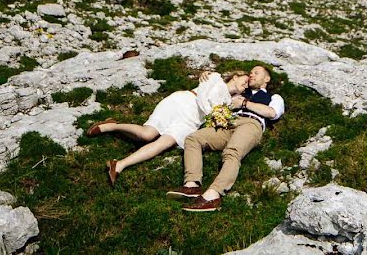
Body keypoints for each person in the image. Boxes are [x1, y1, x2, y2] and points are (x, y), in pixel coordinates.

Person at [86, 70, 249, 185]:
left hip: (191, 122)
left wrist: (224, 111)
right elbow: (204, 96)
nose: (246, 85)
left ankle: (119, 164)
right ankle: (112, 125)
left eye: (248, 85)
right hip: (183, 102)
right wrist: (214, 111)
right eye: (245, 80)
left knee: (163, 144)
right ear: (235, 76)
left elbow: (221, 118)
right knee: (147, 135)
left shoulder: (231, 102)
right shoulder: (215, 78)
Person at [168, 65, 285, 212]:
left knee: (232, 152)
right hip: (228, 123)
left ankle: (214, 194)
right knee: (193, 138)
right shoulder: (241, 91)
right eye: (250, 72)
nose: (252, 75)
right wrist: (207, 76)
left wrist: (244, 103)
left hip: (251, 123)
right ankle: (192, 185)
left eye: (256, 72)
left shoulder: (274, 97)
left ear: (267, 78)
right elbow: (217, 89)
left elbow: (272, 113)